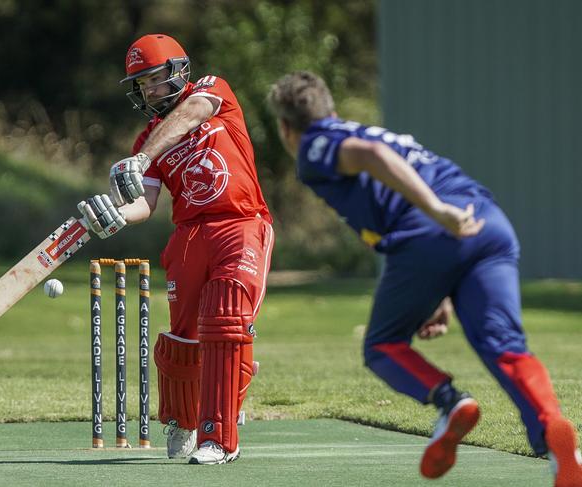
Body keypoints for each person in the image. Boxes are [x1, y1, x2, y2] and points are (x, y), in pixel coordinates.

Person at [267, 71, 582, 486]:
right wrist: (441, 292)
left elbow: (368, 156)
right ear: (334, 110)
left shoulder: (314, 144)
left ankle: (451, 403)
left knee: (382, 345)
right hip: (488, 224)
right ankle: (558, 437)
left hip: (433, 229)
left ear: (286, 128)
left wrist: (436, 212)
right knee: (505, 346)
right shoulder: (366, 128)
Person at [77, 34, 274, 465]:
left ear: (178, 72)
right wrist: (111, 214)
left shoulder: (213, 90)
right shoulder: (146, 142)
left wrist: (144, 157)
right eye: (140, 85)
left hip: (240, 222)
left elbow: (194, 111)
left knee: (225, 320)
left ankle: (219, 438)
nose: (148, 91)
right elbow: (143, 205)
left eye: (153, 79)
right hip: (188, 235)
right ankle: (183, 421)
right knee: (185, 338)